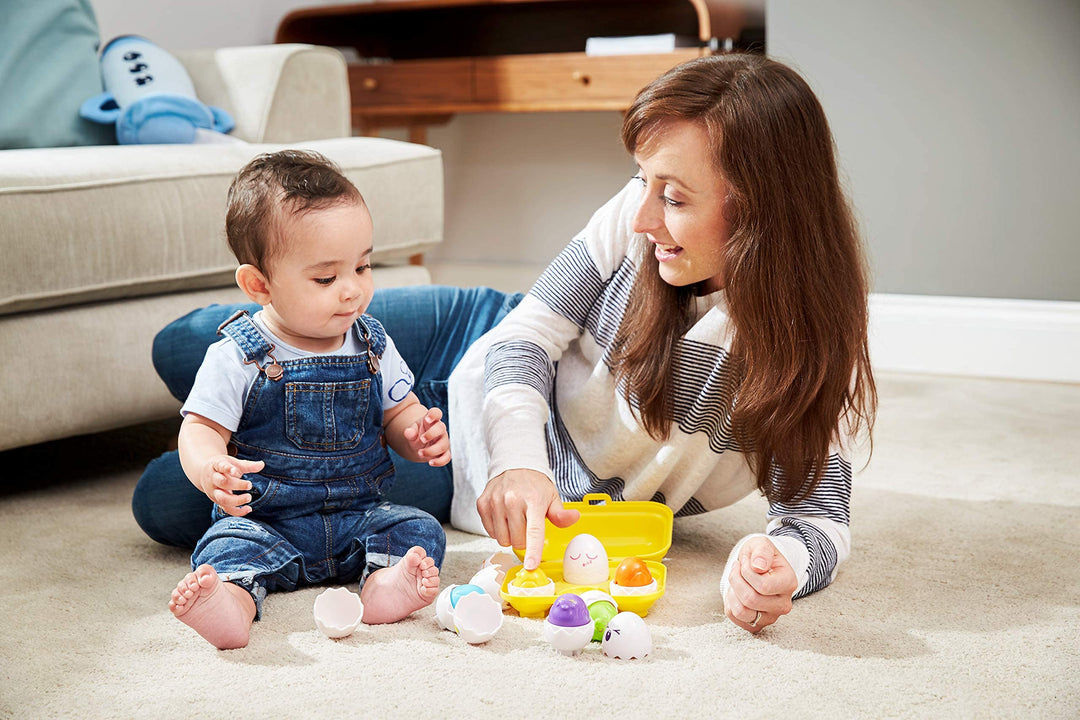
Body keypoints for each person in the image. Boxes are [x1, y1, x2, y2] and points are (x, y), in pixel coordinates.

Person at [136, 53, 876, 637]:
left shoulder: (806, 347)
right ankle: (233, 404)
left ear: (762, 209)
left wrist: (775, 569)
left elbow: (819, 518)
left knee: (169, 499)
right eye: (641, 182)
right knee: (186, 346)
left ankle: (252, 429)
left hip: (462, 464)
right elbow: (527, 334)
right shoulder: (636, 214)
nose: (644, 212)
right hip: (479, 336)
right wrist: (521, 462)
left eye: (675, 198)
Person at [166, 150, 449, 649]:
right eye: (326, 278)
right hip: (267, 521)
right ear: (259, 285)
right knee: (225, 546)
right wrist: (211, 469)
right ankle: (233, 602)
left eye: (362, 266)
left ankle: (384, 586)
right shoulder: (238, 355)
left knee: (417, 529)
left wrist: (416, 434)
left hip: (359, 517)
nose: (352, 292)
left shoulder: (372, 343)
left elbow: (398, 414)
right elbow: (200, 429)